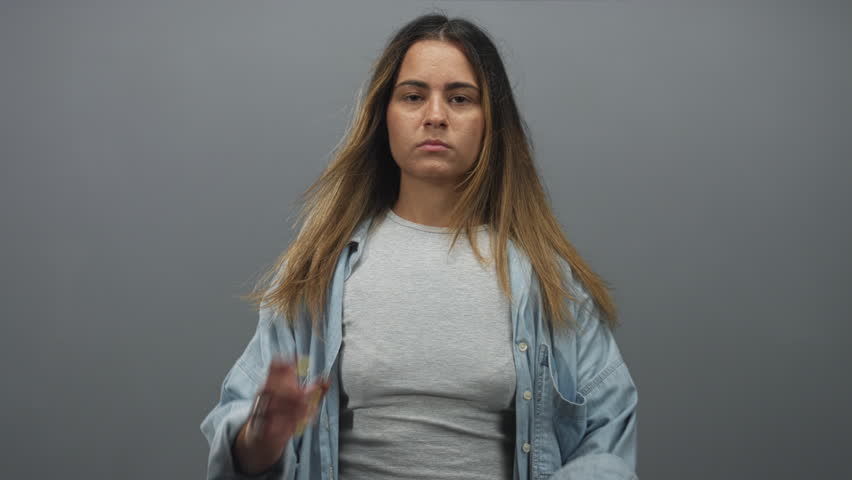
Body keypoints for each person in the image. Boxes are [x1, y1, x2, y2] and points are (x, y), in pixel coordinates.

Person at [200, 12, 638, 480]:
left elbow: (606, 442)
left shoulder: (549, 286)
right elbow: (240, 440)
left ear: (491, 122)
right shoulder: (317, 274)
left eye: (460, 98)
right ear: (383, 115)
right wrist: (262, 436)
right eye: (413, 96)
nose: (434, 116)